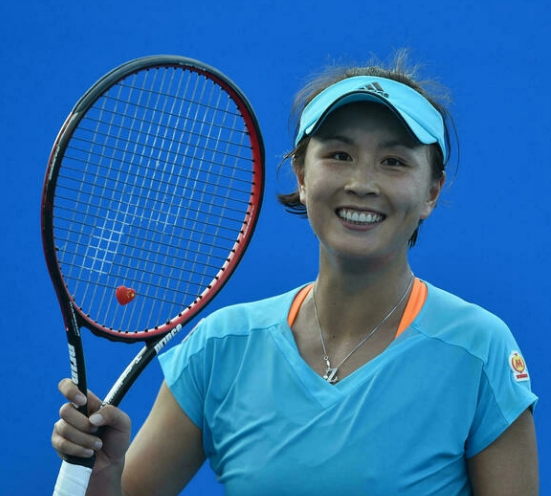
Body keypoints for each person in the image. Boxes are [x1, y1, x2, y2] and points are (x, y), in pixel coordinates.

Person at [52, 51, 539, 495]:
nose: (362, 183)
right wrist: (103, 475)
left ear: (432, 191)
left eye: (393, 161)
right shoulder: (220, 347)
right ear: (303, 176)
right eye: (339, 155)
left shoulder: (479, 351)